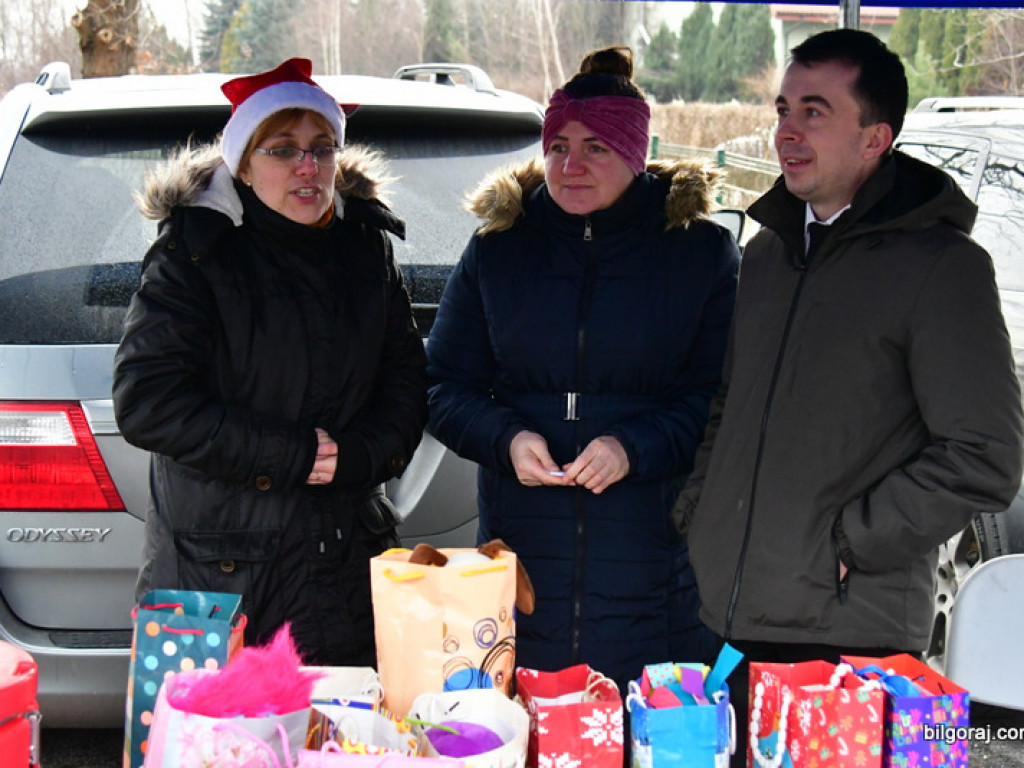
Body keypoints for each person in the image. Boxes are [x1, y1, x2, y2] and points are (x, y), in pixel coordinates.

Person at [672, 28, 1024, 766]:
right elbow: (730, 405)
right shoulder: (767, 253)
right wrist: (701, 506)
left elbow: (985, 456)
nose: (786, 131)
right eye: (782, 108)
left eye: (815, 111)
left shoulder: (942, 269)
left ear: (875, 138)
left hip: (848, 637)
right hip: (733, 617)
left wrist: (850, 540)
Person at [426, 46, 740, 691]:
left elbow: (720, 397)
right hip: (522, 546)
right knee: (532, 725)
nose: (572, 165)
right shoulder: (498, 248)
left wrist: (633, 446)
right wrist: (506, 438)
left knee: (642, 725)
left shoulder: (700, 253)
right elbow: (441, 386)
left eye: (596, 146)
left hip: (653, 555)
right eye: (559, 144)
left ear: (634, 152)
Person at [112, 58, 428, 665]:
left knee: (339, 749)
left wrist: (357, 456)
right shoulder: (194, 254)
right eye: (283, 149)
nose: (307, 167)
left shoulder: (367, 249)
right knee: (216, 751)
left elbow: (406, 385)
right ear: (245, 165)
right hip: (221, 581)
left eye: (322, 147)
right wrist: (291, 456)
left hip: (344, 571)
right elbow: (147, 402)